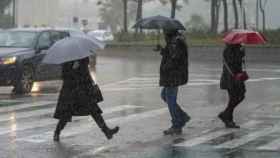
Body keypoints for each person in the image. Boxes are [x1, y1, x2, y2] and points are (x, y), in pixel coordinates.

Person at [53, 57, 119, 142]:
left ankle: (106, 131)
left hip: (84, 90)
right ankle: (57, 133)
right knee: (66, 113)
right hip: (70, 91)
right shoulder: (67, 59)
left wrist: (91, 83)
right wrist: (73, 68)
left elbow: (85, 72)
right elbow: (64, 75)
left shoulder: (83, 57)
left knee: (94, 110)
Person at [158, 29, 190, 135]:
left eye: (164, 32)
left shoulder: (176, 43)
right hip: (171, 76)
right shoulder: (173, 42)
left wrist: (165, 67)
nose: (163, 34)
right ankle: (182, 116)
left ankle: (177, 124)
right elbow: (171, 55)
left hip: (173, 76)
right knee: (164, 96)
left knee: (170, 100)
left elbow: (175, 59)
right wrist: (162, 50)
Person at [219, 44, 246, 128]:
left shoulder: (237, 48)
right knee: (234, 97)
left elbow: (238, 62)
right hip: (231, 78)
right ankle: (228, 119)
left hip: (237, 77)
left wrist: (242, 52)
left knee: (240, 96)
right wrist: (240, 53)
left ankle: (226, 116)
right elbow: (232, 62)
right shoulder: (228, 49)